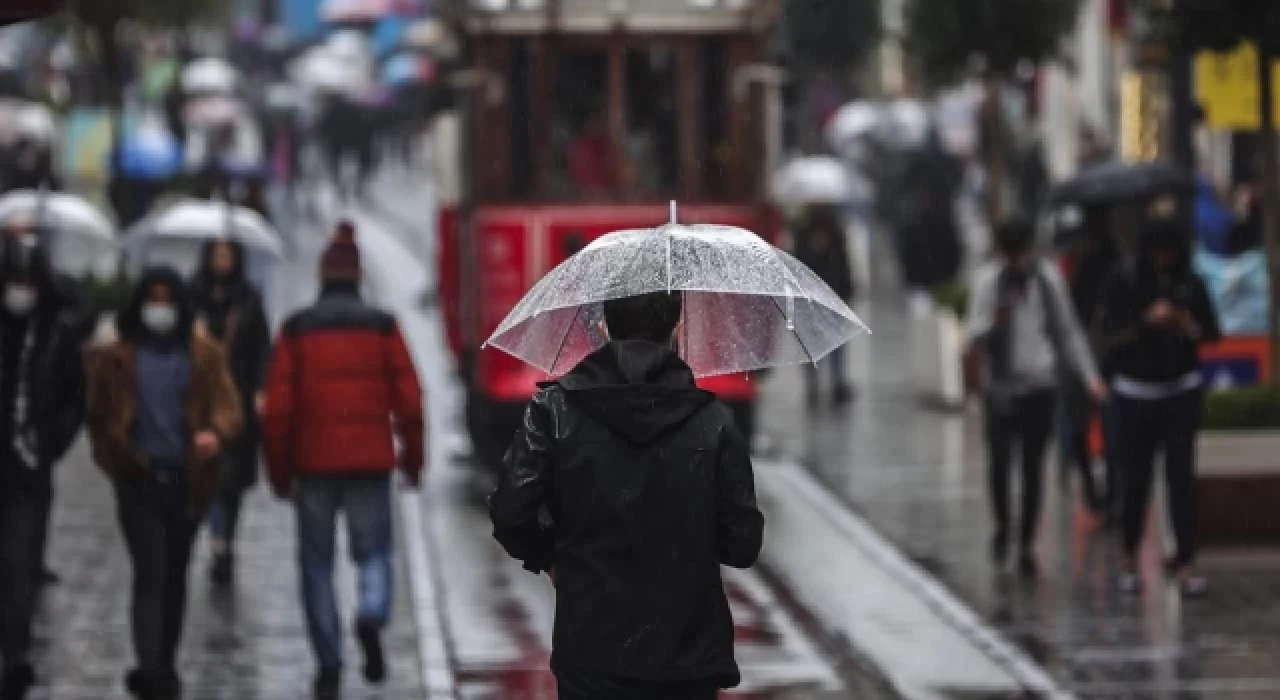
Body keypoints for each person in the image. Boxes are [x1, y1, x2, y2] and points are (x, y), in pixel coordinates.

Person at [490, 290, 765, 700]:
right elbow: (742, 543)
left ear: (603, 328)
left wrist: (551, 559)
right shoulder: (714, 423)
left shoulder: (554, 412)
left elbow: (512, 512)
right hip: (686, 658)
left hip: (591, 651)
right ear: (677, 330)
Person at [262, 222, 425, 700]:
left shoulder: (296, 330)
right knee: (374, 552)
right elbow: (411, 402)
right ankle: (372, 611)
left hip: (313, 467)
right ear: (357, 276)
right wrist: (412, 459)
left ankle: (329, 662)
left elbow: (278, 412)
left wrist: (279, 472)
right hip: (371, 462)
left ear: (321, 276)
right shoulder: (383, 326)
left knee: (316, 565)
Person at [85, 267, 242, 700]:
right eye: (152, 299)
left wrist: (215, 433)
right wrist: (115, 459)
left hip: (186, 482)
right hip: (138, 480)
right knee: (150, 573)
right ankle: (151, 670)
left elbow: (229, 406)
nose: (159, 309)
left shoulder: (203, 354)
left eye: (166, 300)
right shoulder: (118, 357)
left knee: (174, 575)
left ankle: (164, 662)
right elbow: (97, 417)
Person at [965, 219, 1106, 576]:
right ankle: (1002, 528)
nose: (1017, 261)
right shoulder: (987, 283)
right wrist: (992, 323)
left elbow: (1068, 330)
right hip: (1000, 389)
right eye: (1011, 254)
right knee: (999, 466)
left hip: (1039, 388)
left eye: (1022, 253)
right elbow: (972, 336)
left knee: (1032, 468)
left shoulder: (1047, 282)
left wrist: (1090, 377)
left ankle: (1026, 541)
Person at [1096, 219, 1221, 597]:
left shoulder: (1191, 284)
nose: (1163, 261)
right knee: (1135, 480)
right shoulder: (1125, 281)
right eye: (1157, 253)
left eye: (1170, 253)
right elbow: (1108, 335)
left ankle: (1185, 562)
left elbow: (1212, 334)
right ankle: (1128, 558)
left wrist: (1182, 320)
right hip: (1136, 393)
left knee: (1181, 480)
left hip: (1180, 391)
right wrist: (1145, 323)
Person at [0, 231, 95, 700]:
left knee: (21, 563)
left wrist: (48, 443)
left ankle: (14, 654)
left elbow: (74, 400)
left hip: (29, 466)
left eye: (27, 280)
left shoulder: (56, 334)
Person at [190, 240, 271, 587]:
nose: (222, 261)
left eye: (228, 255)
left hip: (237, 400)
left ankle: (224, 540)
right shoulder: (192, 296)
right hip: (200, 401)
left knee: (231, 480)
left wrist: (260, 389)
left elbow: (262, 348)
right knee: (209, 475)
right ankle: (218, 541)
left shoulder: (248, 297)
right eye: (217, 255)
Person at [792, 205, 856, 405]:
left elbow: (842, 264)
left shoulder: (836, 234)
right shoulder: (803, 235)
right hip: (810, 298)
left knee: (835, 343)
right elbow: (798, 265)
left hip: (832, 295)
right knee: (811, 344)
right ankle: (813, 385)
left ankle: (837, 383)